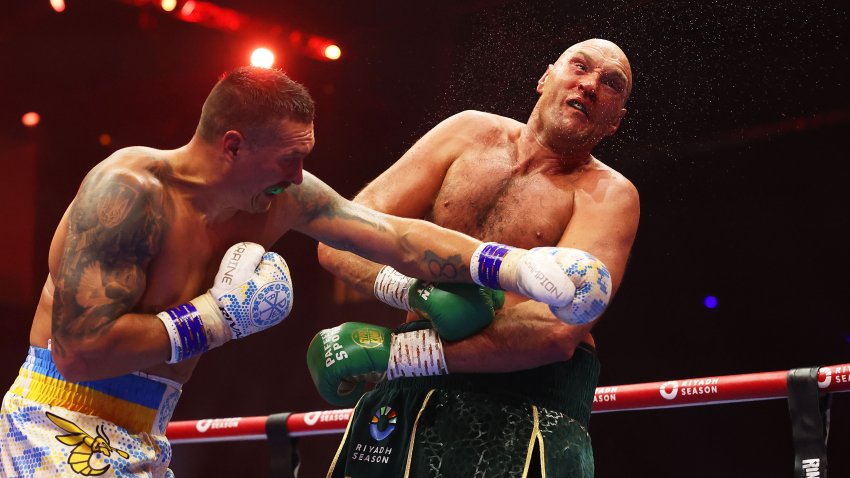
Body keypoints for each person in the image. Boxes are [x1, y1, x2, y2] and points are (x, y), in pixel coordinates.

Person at [0, 66, 578, 477]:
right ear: (233, 146)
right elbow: (79, 351)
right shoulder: (129, 194)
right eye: (289, 158)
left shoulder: (279, 198)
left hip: (145, 428)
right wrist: (216, 317)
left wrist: (513, 267)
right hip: (57, 415)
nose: (300, 176)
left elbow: (391, 235)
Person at [312, 38, 639, 477]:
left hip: (527, 400)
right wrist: (414, 289)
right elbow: (342, 235)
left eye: (610, 84)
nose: (591, 84)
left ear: (615, 121)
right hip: (410, 391)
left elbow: (555, 330)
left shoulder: (609, 194)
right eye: (580, 67)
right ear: (545, 78)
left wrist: (400, 353)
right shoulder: (466, 133)